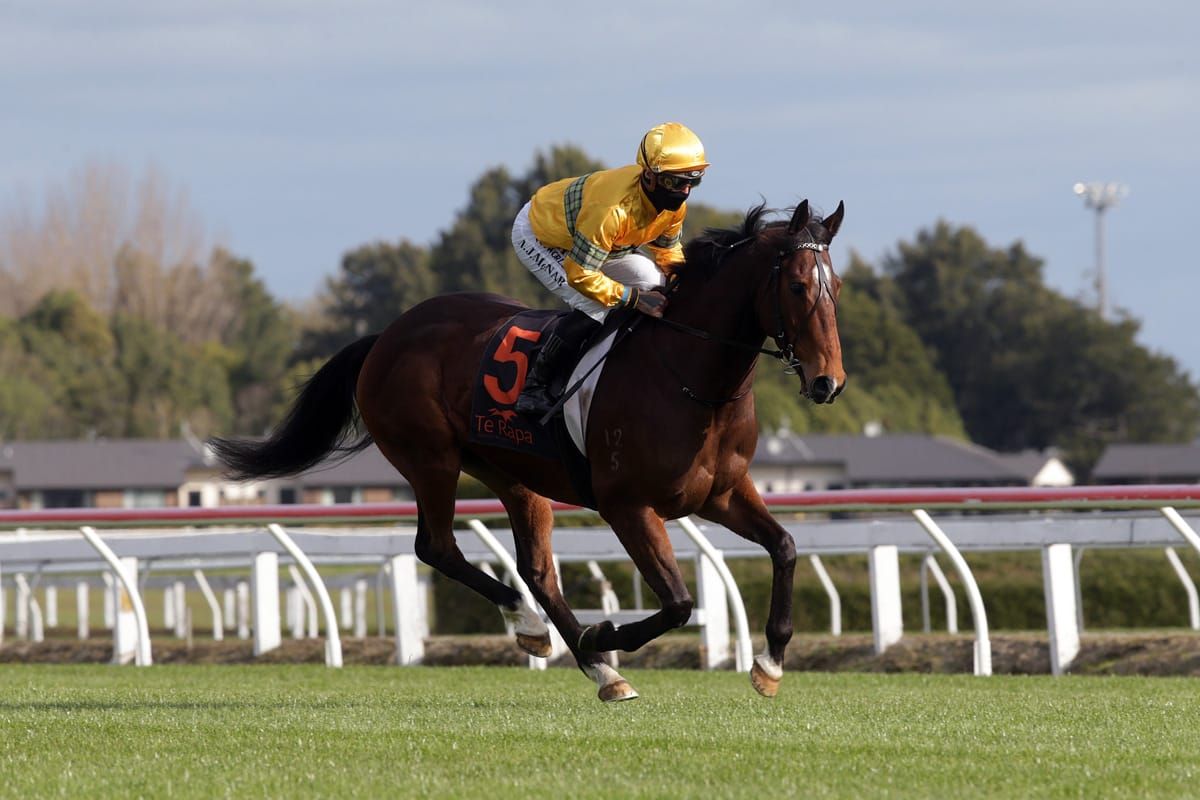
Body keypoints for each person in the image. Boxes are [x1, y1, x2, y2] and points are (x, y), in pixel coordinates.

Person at [510, 122, 709, 417]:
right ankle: (534, 387)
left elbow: (667, 252)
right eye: (675, 182)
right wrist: (633, 299)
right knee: (594, 304)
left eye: (694, 180)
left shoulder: (675, 205)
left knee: (655, 280)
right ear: (650, 177)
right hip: (542, 236)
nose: (685, 190)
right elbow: (580, 274)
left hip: (600, 245)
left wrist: (689, 286)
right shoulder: (613, 210)